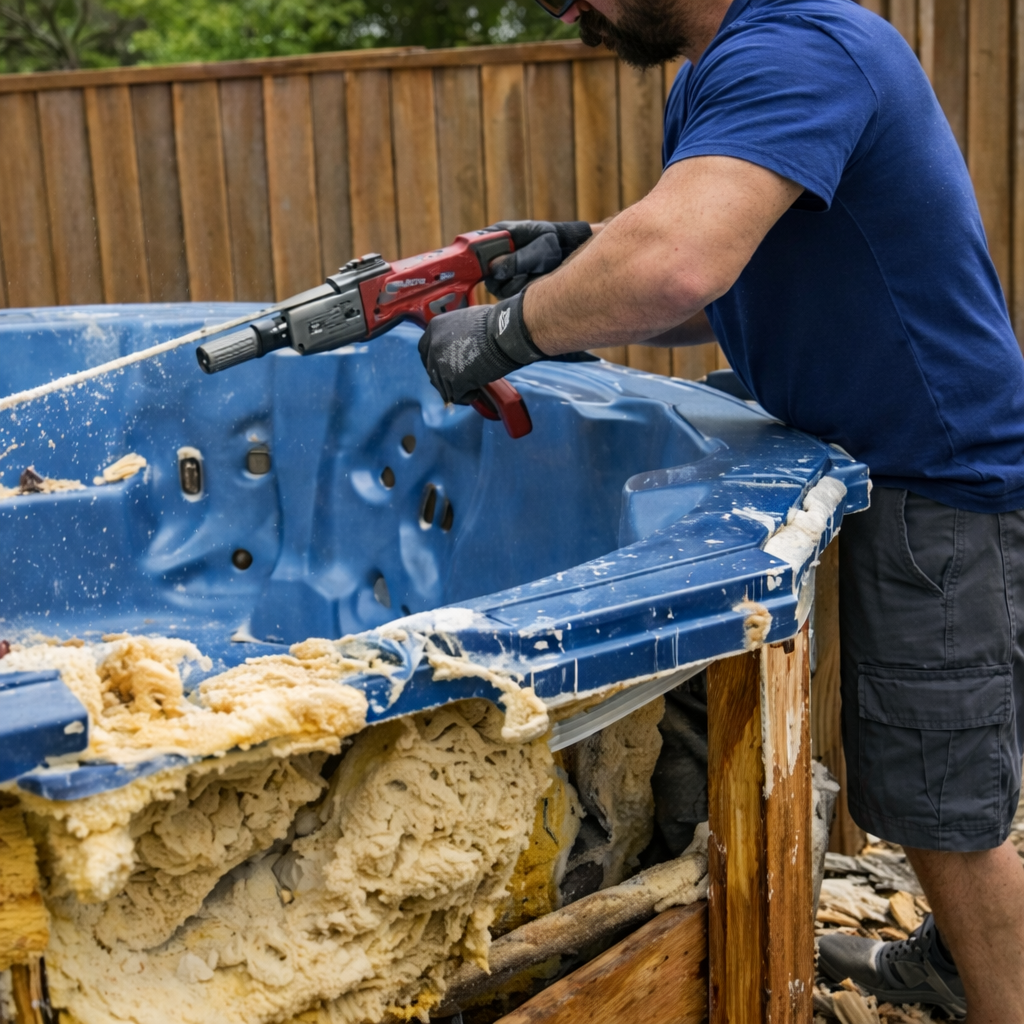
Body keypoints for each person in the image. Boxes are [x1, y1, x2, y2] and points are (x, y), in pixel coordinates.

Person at [416, 0, 1024, 1019]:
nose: (577, 14)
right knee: (920, 779)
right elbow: (727, 281)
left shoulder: (797, 49)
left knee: (941, 800)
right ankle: (955, 962)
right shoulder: (710, 73)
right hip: (882, 445)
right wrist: (579, 259)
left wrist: (506, 330)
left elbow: (676, 264)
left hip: (939, 470)